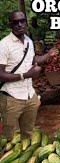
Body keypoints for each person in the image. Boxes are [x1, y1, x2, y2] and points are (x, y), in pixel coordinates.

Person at [0, 11, 57, 139]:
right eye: (15, 22)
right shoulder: (4, 45)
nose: (19, 25)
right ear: (10, 24)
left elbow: (32, 60)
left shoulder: (29, 41)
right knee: (7, 138)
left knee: (28, 134)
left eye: (22, 21)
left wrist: (48, 55)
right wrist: (25, 75)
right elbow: (0, 74)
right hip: (12, 97)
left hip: (29, 95)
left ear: (26, 23)